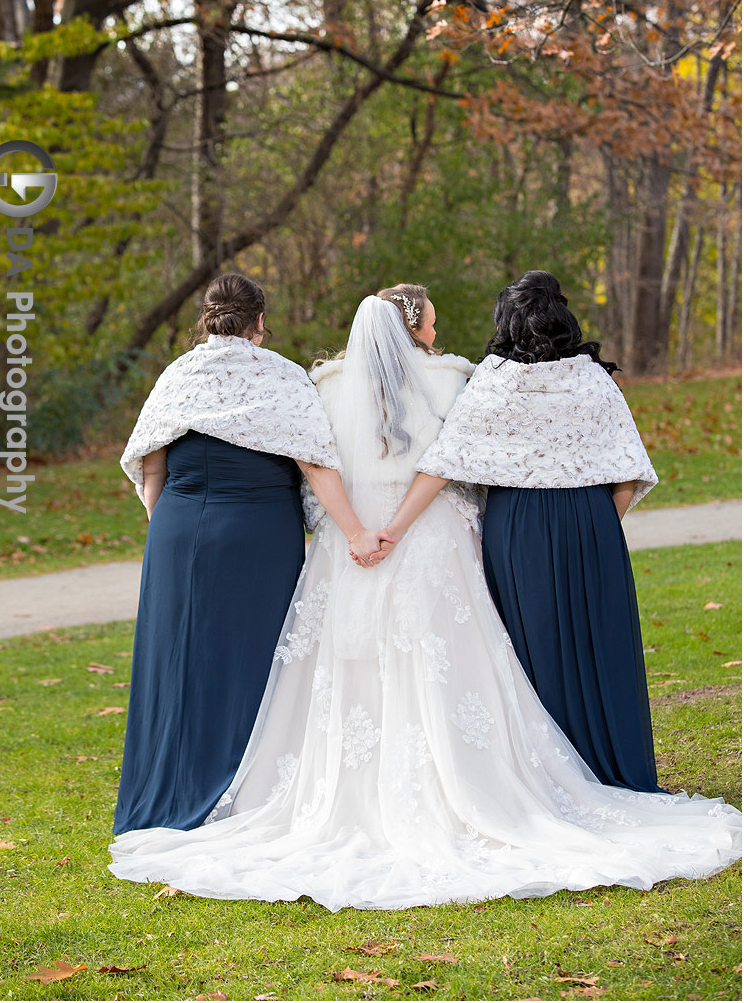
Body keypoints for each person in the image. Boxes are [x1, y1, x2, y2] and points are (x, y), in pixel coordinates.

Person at [109, 287, 740, 910]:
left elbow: (317, 461)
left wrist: (346, 529)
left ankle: (336, 792)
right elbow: (454, 463)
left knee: (349, 663)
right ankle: (475, 784)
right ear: (416, 327)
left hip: (353, 533)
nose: (437, 335)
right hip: (427, 531)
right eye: (433, 324)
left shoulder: (323, 383)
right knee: (449, 656)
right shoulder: (457, 380)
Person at [113, 273, 384, 835]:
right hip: (259, 529)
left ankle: (167, 791)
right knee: (255, 660)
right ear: (260, 321)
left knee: (177, 660)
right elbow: (315, 464)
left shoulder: (179, 373)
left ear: (207, 318)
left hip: (178, 526)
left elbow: (151, 465)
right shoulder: (283, 376)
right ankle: (246, 791)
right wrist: (356, 531)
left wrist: (167, 524)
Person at [386, 270, 662, 792]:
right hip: (589, 519)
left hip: (518, 526)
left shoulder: (493, 380)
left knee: (526, 648)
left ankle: (548, 780)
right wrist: (600, 526)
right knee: (598, 644)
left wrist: (393, 528)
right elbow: (629, 468)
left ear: (506, 322)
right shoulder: (592, 379)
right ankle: (611, 770)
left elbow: (444, 462)